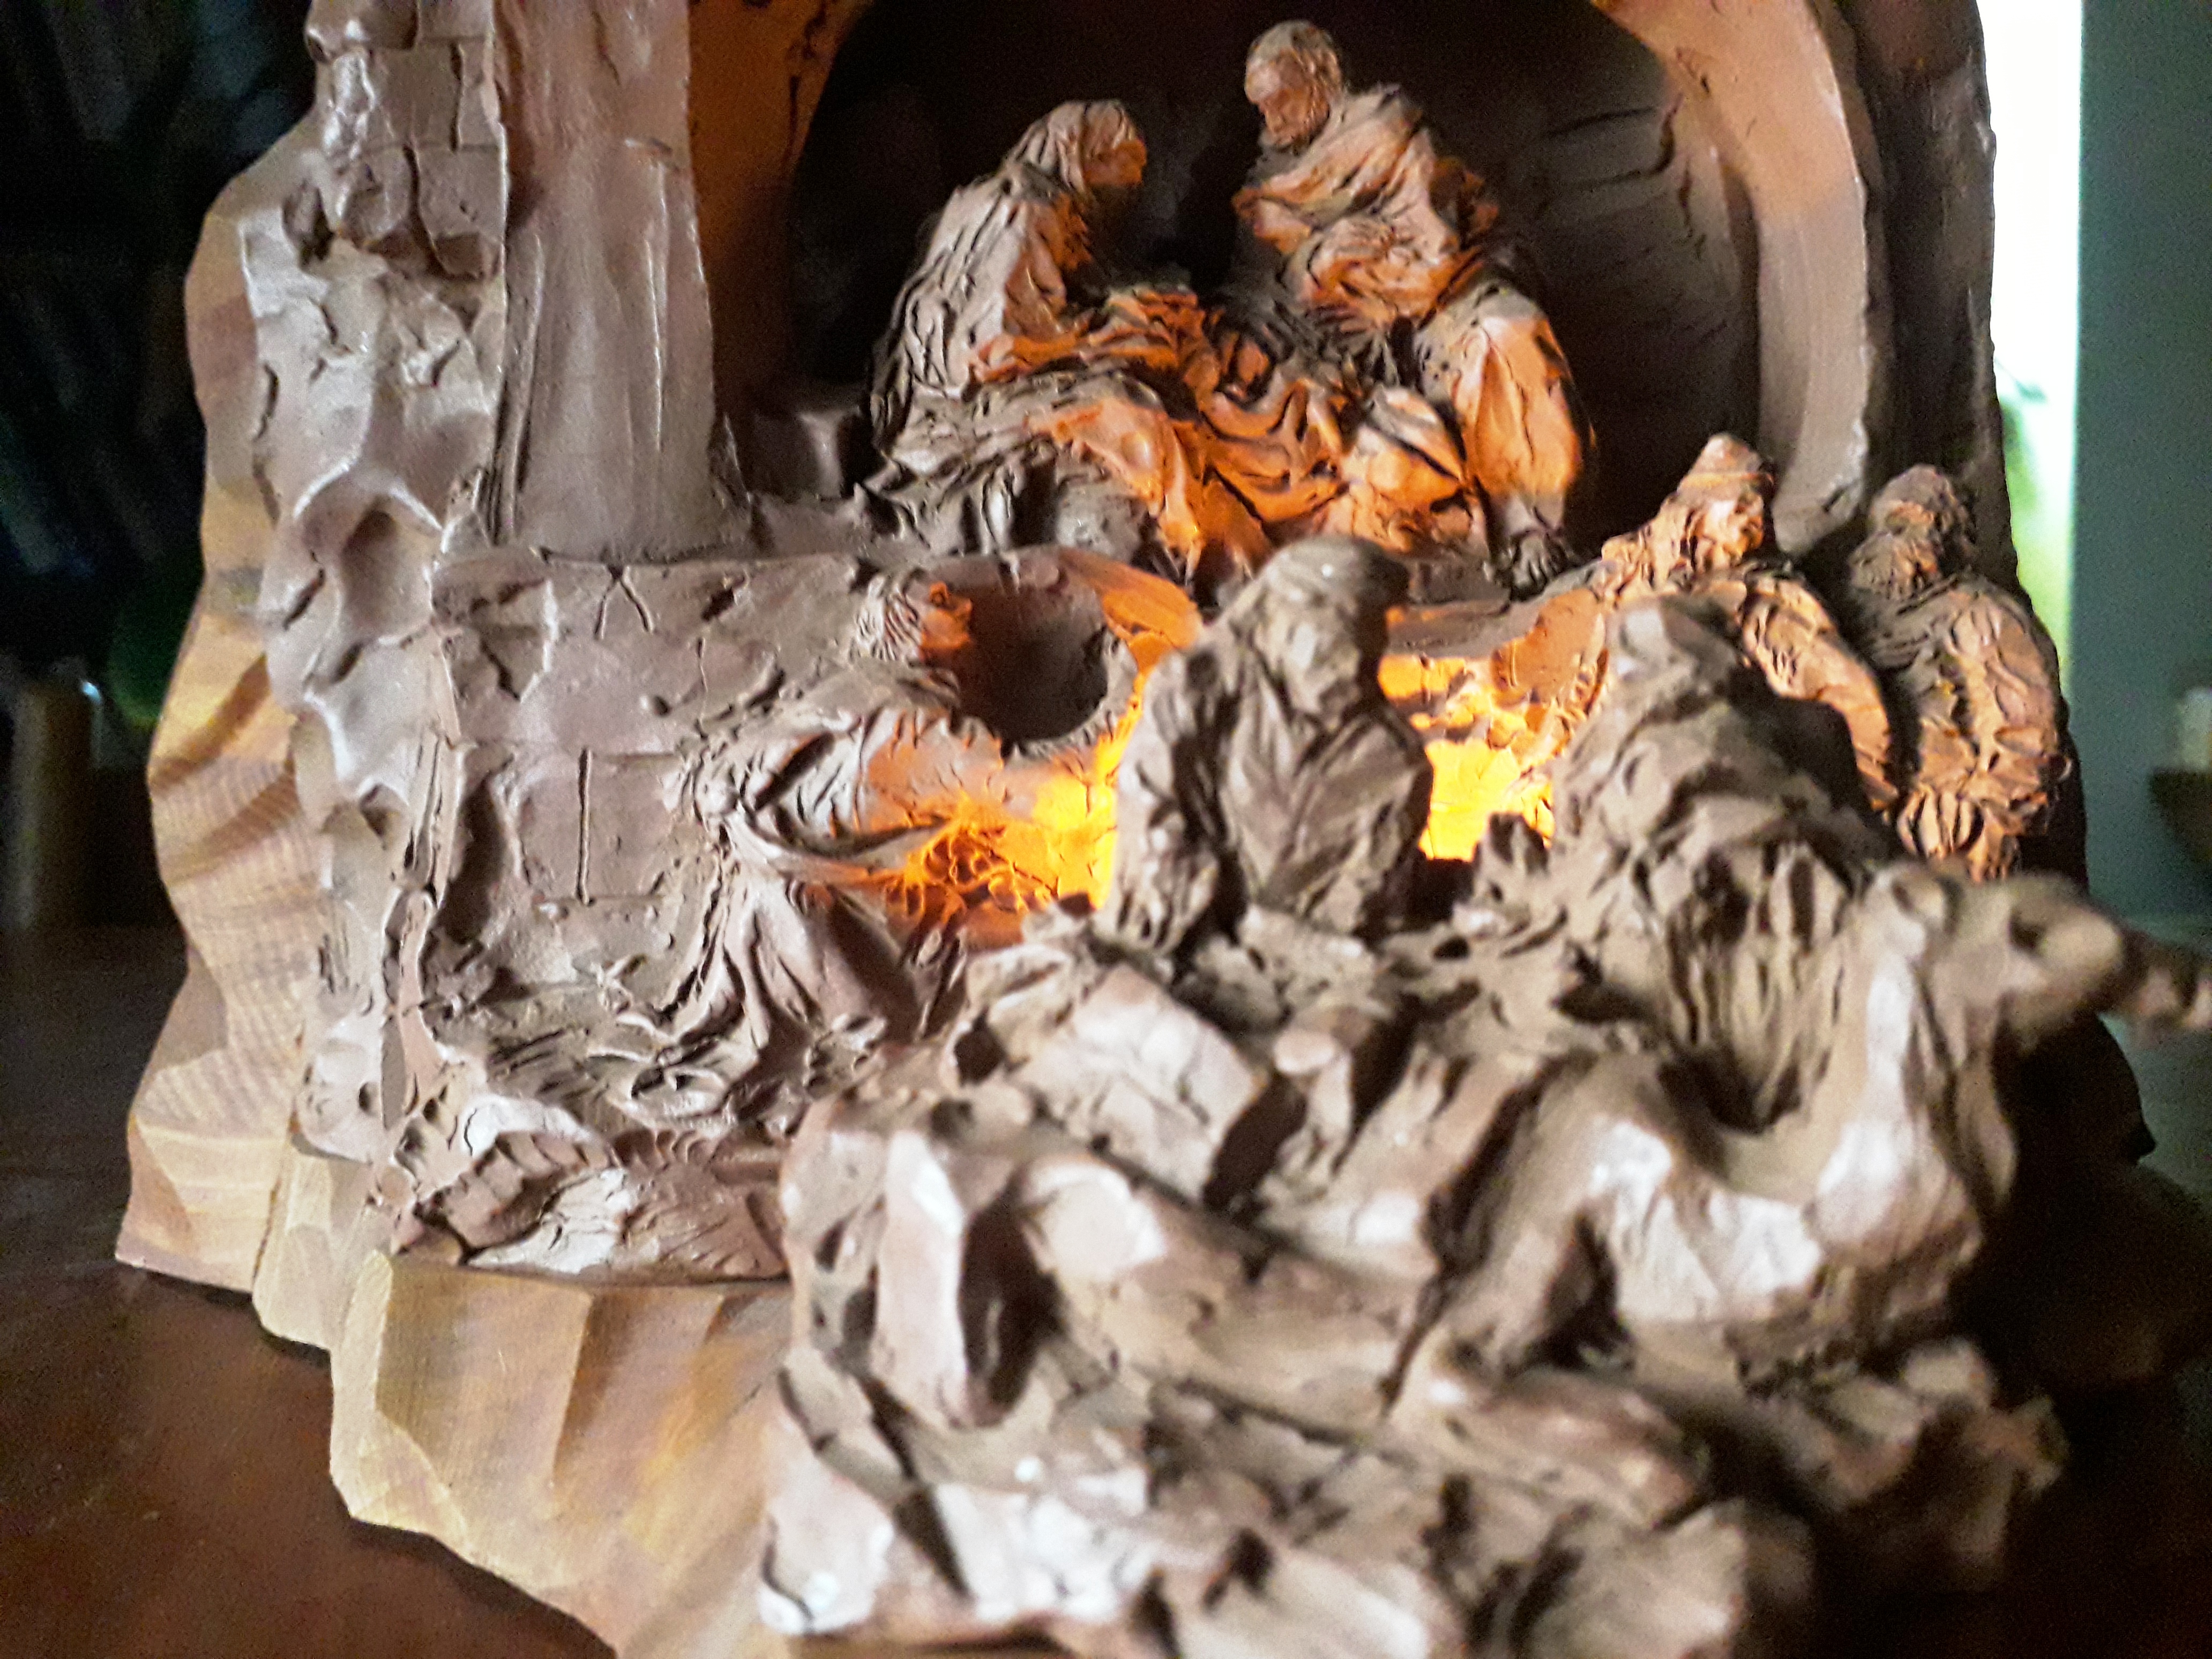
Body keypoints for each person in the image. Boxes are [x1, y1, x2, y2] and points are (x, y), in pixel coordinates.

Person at [1229, 22, 1593, 591]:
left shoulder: (1389, 129)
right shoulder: (1268, 181)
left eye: (1283, 99)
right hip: (1334, 340)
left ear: (1322, 75)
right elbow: (1253, 293)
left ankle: (1532, 531)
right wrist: (1317, 263)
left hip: (1445, 299)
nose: (1273, 119)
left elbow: (1438, 247)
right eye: (1262, 107)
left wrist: (1383, 295)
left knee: (1507, 332)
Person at [869, 101, 1267, 580]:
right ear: (1080, 154)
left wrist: (1136, 306)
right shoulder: (1026, 210)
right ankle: (1177, 557)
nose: (1132, 186)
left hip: (998, 372)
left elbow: (1069, 288)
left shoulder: (1047, 204)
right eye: (1122, 167)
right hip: (969, 396)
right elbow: (995, 340)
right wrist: (1115, 329)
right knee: (1130, 412)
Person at [1836, 466, 2071, 879]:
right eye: (1884, 527)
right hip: (1874, 826)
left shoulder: (1985, 619)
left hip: (1952, 829)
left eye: (1906, 526)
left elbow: (2026, 739)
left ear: (1947, 537)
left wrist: (1988, 827)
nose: (1887, 542)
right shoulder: (1858, 617)